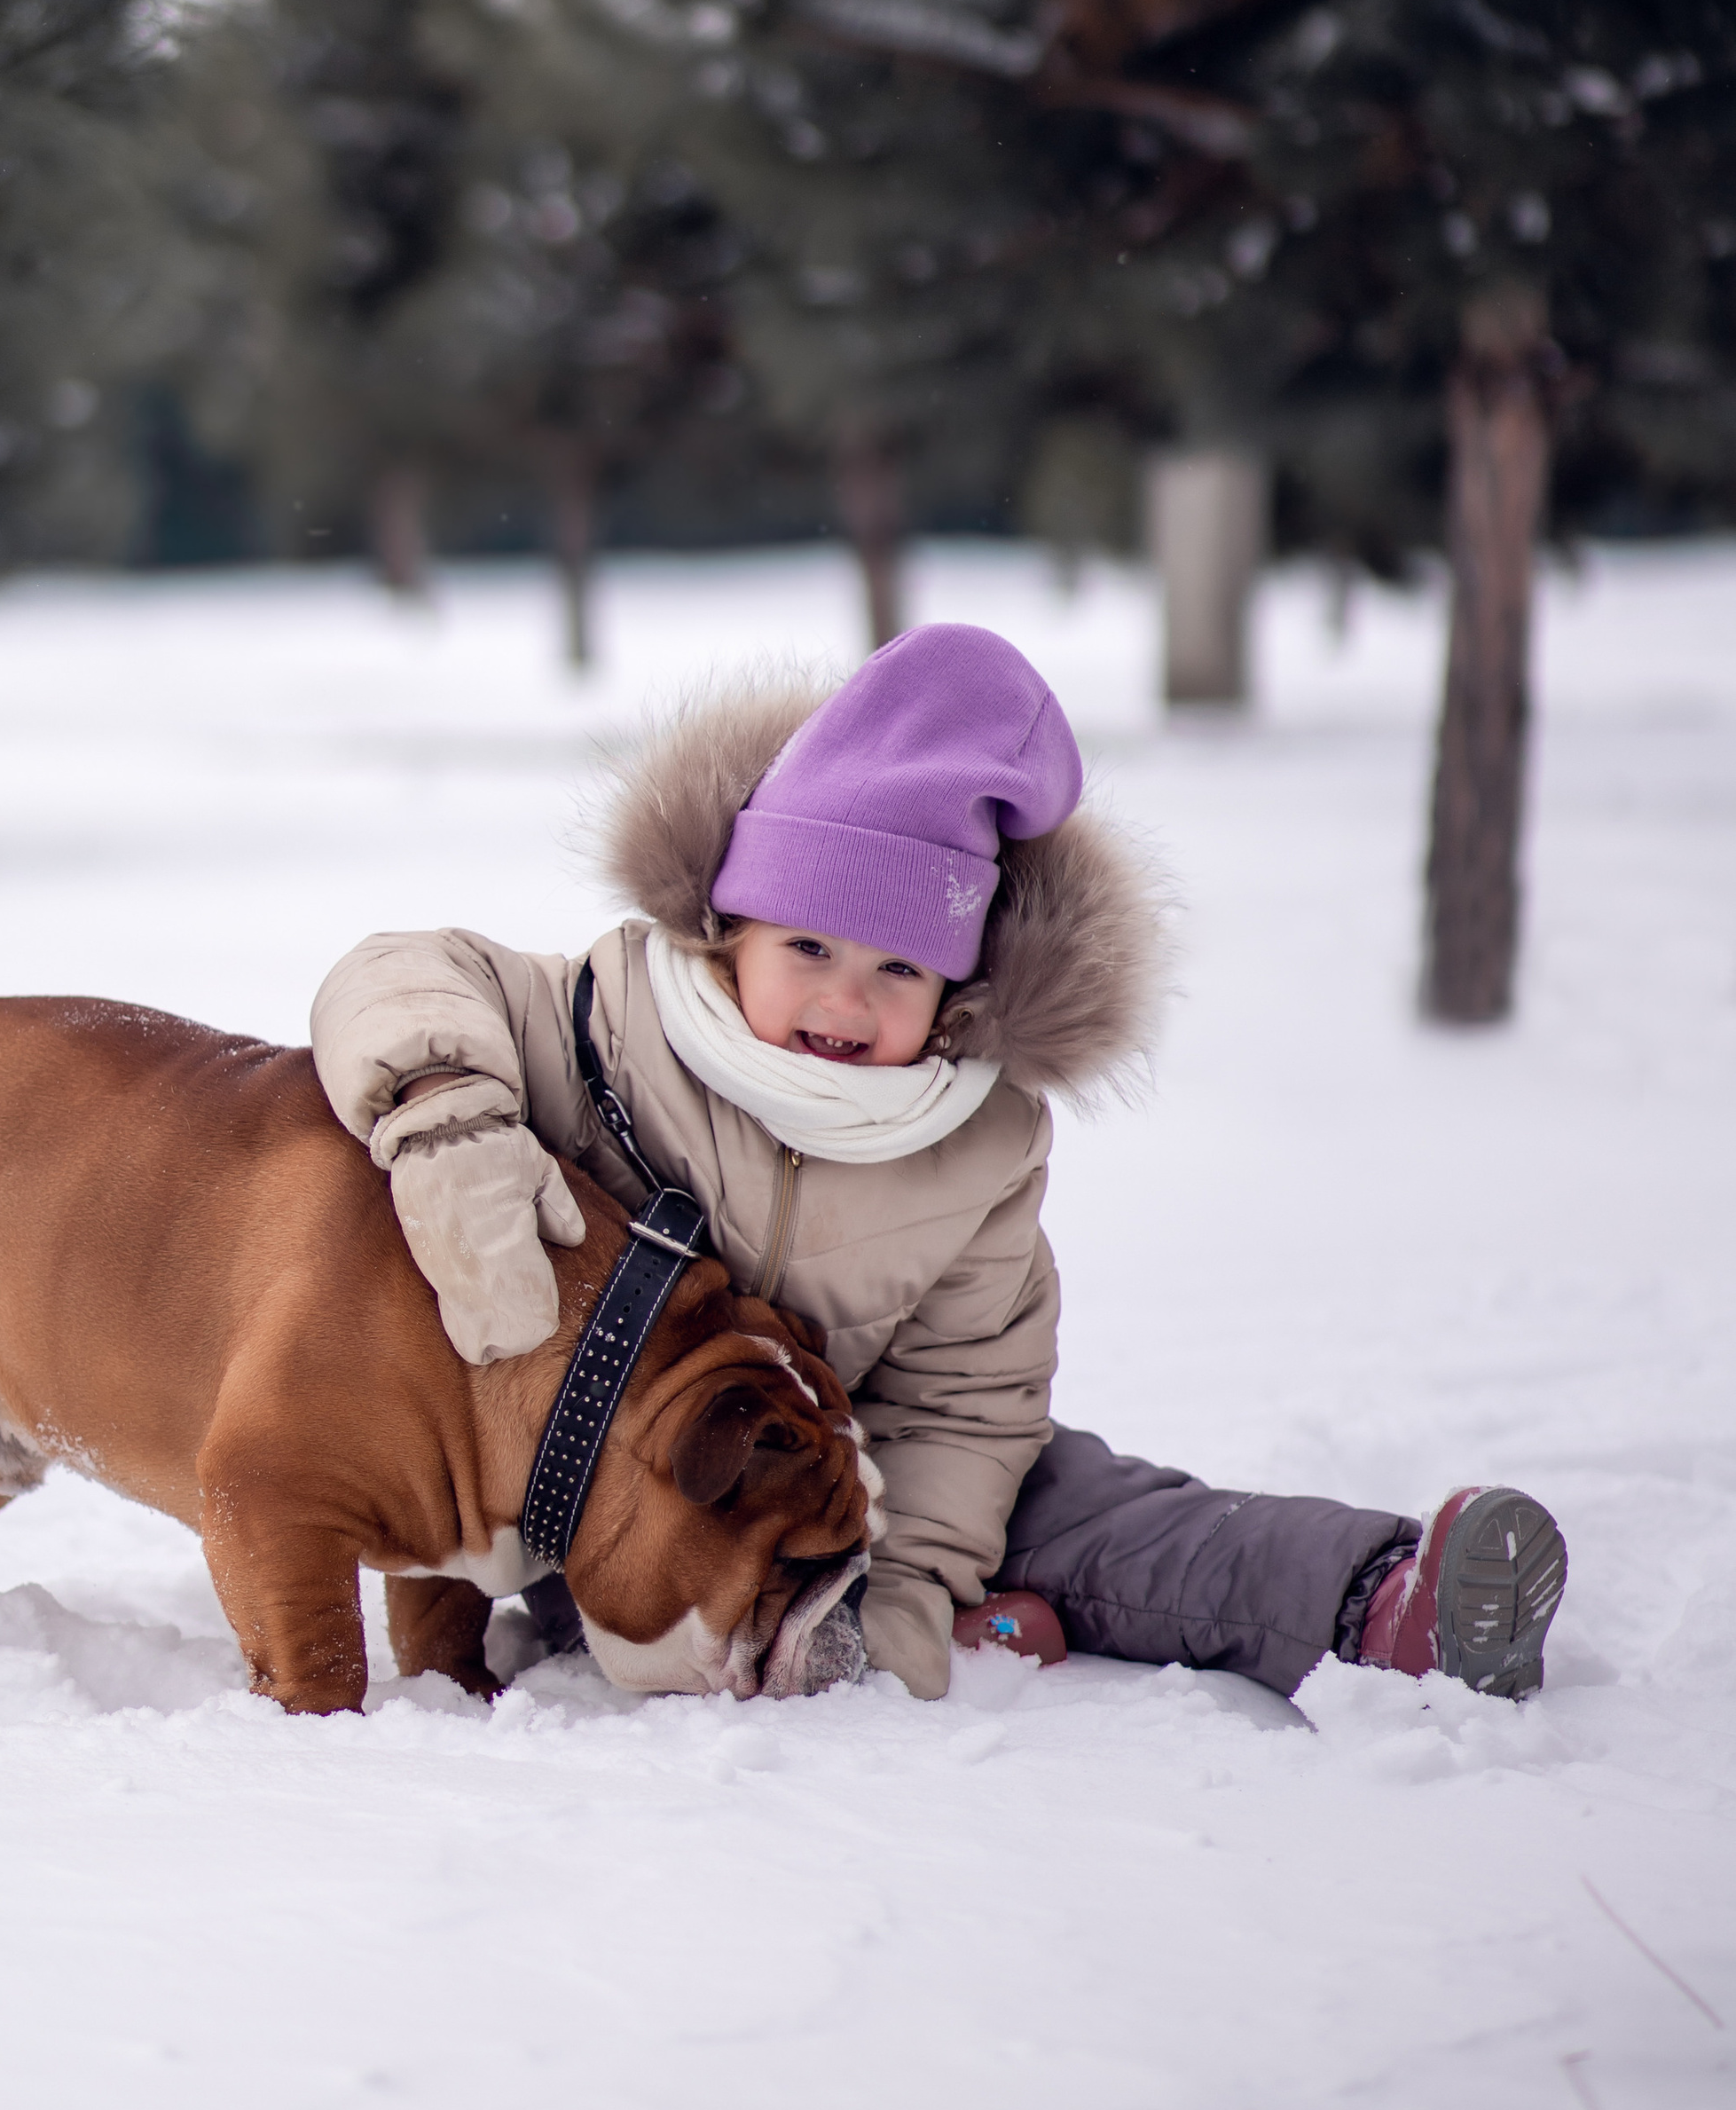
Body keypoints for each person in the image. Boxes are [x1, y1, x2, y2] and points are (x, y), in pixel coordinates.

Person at [310, 624, 1568, 1704]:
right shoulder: (608, 1020)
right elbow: (400, 971)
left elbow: (968, 1398)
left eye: (898, 969)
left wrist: (903, 1606)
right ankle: (927, 1628)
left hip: (863, 1467)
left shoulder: (975, 1144)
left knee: (1079, 1506)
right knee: (681, 1551)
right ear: (732, 925)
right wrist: (445, 1112)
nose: (845, 1003)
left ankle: (1380, 1599)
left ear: (956, 988)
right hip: (626, 1473)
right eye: (808, 945)